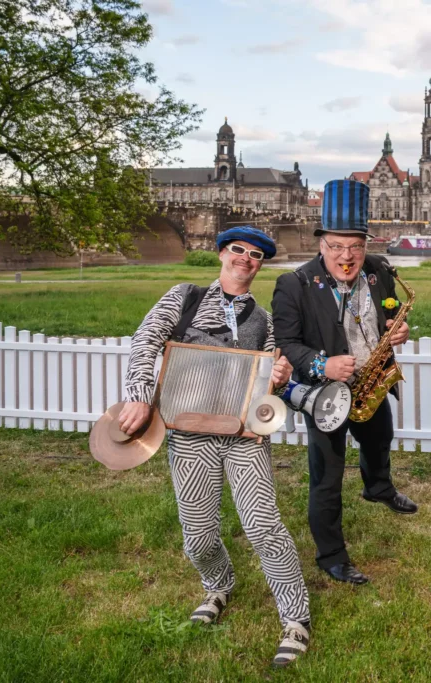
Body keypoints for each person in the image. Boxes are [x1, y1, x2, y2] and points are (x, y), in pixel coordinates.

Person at [118, 226, 312, 669]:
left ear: (261, 265)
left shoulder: (264, 320)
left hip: (242, 436)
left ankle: (295, 618)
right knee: (198, 535)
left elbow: (267, 383)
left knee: (264, 527)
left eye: (256, 255)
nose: (246, 259)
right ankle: (219, 584)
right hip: (188, 432)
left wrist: (278, 379)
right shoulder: (183, 296)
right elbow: (145, 341)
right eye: (239, 250)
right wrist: (138, 394)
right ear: (223, 253)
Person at [272, 179, 416, 587]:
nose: (346, 256)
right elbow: (286, 343)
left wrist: (397, 328)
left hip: (371, 382)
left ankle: (379, 487)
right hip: (326, 394)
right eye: (336, 246)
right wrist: (322, 364)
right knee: (327, 476)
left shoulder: (378, 271)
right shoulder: (294, 285)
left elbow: (388, 318)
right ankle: (331, 555)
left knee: (380, 437)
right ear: (321, 244)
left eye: (355, 246)